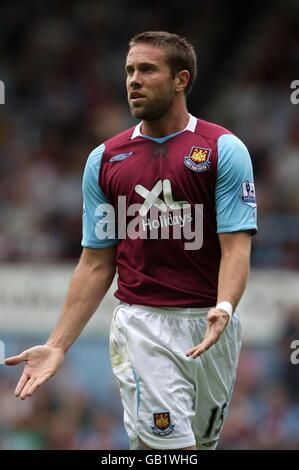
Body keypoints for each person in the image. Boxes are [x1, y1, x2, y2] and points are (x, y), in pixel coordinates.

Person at [5, 31, 257, 450]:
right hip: (143, 325)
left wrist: (225, 306)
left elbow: (236, 247)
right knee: (170, 451)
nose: (133, 80)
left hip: (213, 328)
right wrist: (57, 345)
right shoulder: (105, 160)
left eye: (146, 69)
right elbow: (95, 263)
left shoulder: (222, 150)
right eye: (129, 71)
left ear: (181, 80)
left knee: (197, 446)